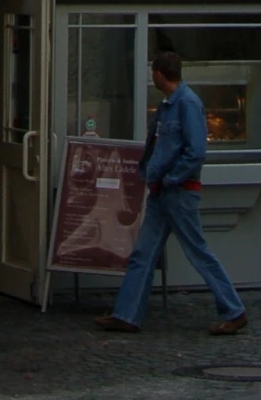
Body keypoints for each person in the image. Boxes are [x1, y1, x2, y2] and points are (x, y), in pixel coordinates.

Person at [95, 49, 248, 335]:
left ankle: (234, 310)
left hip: (178, 193)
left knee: (197, 252)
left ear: (158, 74)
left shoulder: (187, 104)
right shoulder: (169, 105)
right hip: (162, 192)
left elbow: (196, 152)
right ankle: (126, 314)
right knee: (143, 253)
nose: (151, 77)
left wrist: (171, 179)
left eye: (152, 72)